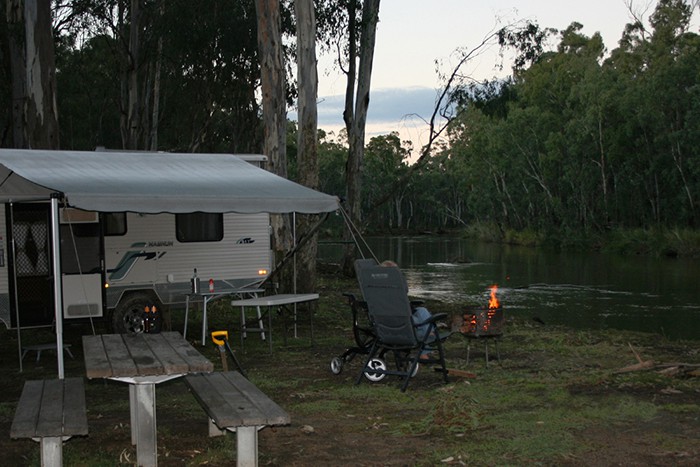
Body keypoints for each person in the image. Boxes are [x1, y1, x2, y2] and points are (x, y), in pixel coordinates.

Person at [380, 260, 435, 359]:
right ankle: (424, 350)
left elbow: (405, 291)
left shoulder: (396, 286)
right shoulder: (383, 290)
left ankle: (429, 335)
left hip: (405, 314)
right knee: (418, 322)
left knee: (422, 311)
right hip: (395, 320)